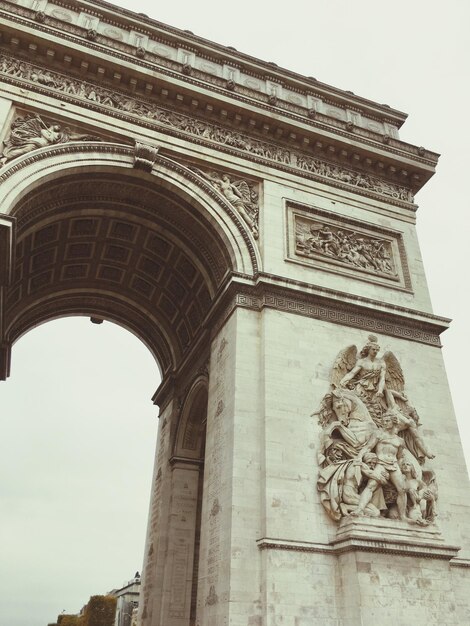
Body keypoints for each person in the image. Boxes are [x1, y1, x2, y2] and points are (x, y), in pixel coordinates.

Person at [351, 412, 408, 520]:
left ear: (394, 422)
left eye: (387, 421)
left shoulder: (400, 441)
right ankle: (360, 509)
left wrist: (403, 469)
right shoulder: (378, 434)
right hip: (381, 463)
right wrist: (359, 457)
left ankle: (403, 516)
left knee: (403, 489)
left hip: (394, 465)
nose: (384, 423)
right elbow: (368, 447)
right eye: (383, 421)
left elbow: (400, 456)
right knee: (371, 486)